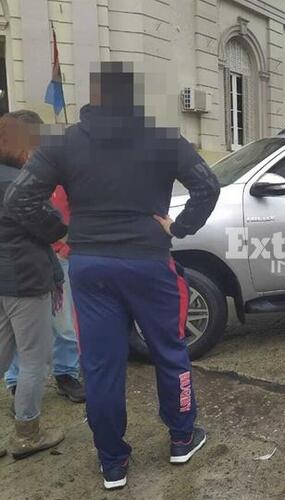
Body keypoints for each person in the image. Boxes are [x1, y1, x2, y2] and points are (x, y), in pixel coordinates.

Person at [4, 62, 220, 489]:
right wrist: (179, 228)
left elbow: (20, 198)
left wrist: (61, 231)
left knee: (101, 366)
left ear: (95, 96)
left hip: (91, 267)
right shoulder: (162, 139)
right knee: (170, 351)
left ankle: (112, 463)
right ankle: (181, 438)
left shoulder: (66, 144)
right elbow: (207, 186)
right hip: (148, 262)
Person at [4, 110, 85, 408]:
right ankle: (16, 385)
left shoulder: (59, 170)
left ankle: (66, 373)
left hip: (60, 257)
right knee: (19, 332)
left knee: (64, 324)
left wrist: (66, 242)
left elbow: (75, 209)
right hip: (25, 264)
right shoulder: (15, 172)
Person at [0, 114, 66, 459]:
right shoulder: (21, 183)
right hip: (26, 280)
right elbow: (52, 227)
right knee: (33, 360)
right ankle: (28, 433)